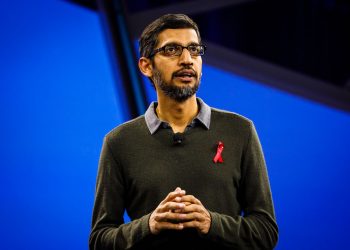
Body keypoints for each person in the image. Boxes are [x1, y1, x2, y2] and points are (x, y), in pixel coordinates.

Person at [89, 13, 278, 250]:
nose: (187, 59)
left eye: (194, 49)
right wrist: (149, 224)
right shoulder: (118, 142)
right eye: (172, 50)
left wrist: (212, 223)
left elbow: (266, 232)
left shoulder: (240, 131)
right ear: (146, 66)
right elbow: (99, 240)